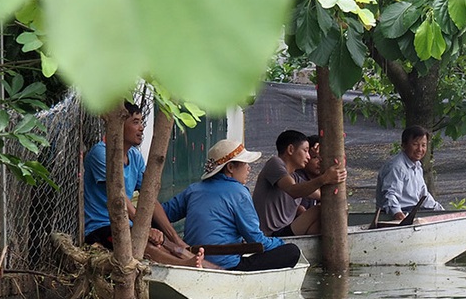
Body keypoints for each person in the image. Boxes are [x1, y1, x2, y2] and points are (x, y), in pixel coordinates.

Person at [83, 102, 204, 267]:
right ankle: (184, 265)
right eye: (135, 122)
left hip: (129, 224)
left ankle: (197, 263)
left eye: (141, 122)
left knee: (167, 242)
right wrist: (144, 229)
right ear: (118, 125)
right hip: (102, 227)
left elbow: (149, 199)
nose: (141, 128)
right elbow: (120, 198)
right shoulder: (100, 153)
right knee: (140, 240)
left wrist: (176, 238)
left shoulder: (135, 155)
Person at [163, 141, 301, 271]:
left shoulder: (193, 189)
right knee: (292, 251)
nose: (249, 168)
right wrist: (280, 244)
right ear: (230, 167)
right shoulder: (239, 192)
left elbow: (163, 213)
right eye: (245, 163)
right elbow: (256, 239)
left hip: (192, 259)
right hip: (226, 266)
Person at [253, 128, 345, 237]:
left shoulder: (295, 177)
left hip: (284, 233)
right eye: (305, 151)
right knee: (318, 210)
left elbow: (321, 195)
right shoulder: (274, 163)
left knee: (326, 214)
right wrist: (324, 178)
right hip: (269, 235)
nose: (308, 156)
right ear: (291, 149)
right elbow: (293, 190)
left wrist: (324, 157)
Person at [375, 126, 446, 227]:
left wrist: (442, 211)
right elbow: (390, 196)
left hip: (412, 214)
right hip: (393, 218)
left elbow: (424, 196)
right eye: (415, 144)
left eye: (423, 145)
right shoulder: (397, 167)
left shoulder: (417, 166)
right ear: (404, 145)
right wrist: (398, 215)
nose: (420, 149)